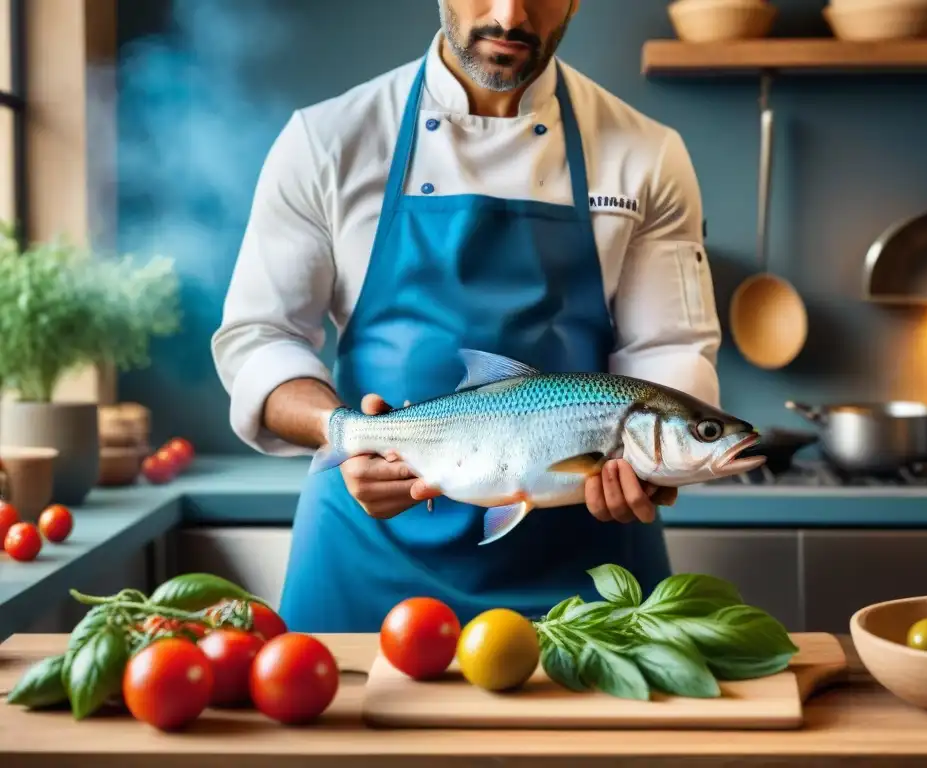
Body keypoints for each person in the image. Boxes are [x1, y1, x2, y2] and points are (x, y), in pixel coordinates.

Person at [212, 0, 722, 632]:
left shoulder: (645, 156)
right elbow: (261, 339)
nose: (509, 16)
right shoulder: (327, 141)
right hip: (366, 560)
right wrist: (337, 433)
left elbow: (669, 350)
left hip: (585, 575)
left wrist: (652, 468)